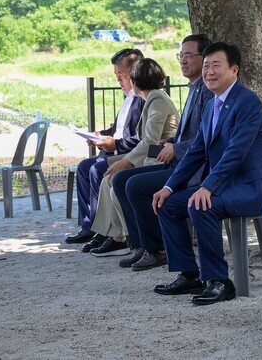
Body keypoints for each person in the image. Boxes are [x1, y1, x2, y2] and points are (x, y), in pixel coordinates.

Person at [151, 42, 262, 305]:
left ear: (234, 70)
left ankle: (220, 281)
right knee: (168, 204)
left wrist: (207, 186)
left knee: (201, 205)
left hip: (249, 186)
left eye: (216, 65)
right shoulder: (211, 106)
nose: (209, 71)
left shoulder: (248, 102)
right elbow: (196, 151)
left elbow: (235, 152)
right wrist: (170, 187)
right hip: (222, 185)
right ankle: (189, 274)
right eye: (206, 66)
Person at [114, 34, 214, 271]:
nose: (183, 60)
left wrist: (175, 147)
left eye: (190, 55)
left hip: (196, 169)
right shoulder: (195, 89)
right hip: (180, 161)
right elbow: (189, 133)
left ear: (206, 58)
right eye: (181, 55)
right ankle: (141, 246)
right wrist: (170, 142)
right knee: (121, 180)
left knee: (134, 185)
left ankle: (156, 249)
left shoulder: (208, 91)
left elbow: (207, 138)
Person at [89, 58, 179, 257]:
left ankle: (133, 239)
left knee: (116, 182)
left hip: (159, 159)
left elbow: (150, 140)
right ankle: (118, 236)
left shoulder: (157, 99)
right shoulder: (152, 99)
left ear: (136, 81)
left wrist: (126, 161)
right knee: (108, 179)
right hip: (151, 157)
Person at [65, 48, 145, 247]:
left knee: (96, 168)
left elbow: (141, 139)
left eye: (121, 74)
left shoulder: (143, 100)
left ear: (135, 72)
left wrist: (114, 144)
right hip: (119, 150)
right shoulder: (128, 98)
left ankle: (105, 232)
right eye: (115, 74)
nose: (118, 79)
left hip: (131, 154)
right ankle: (89, 226)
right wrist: (99, 135)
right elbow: (117, 129)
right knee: (84, 167)